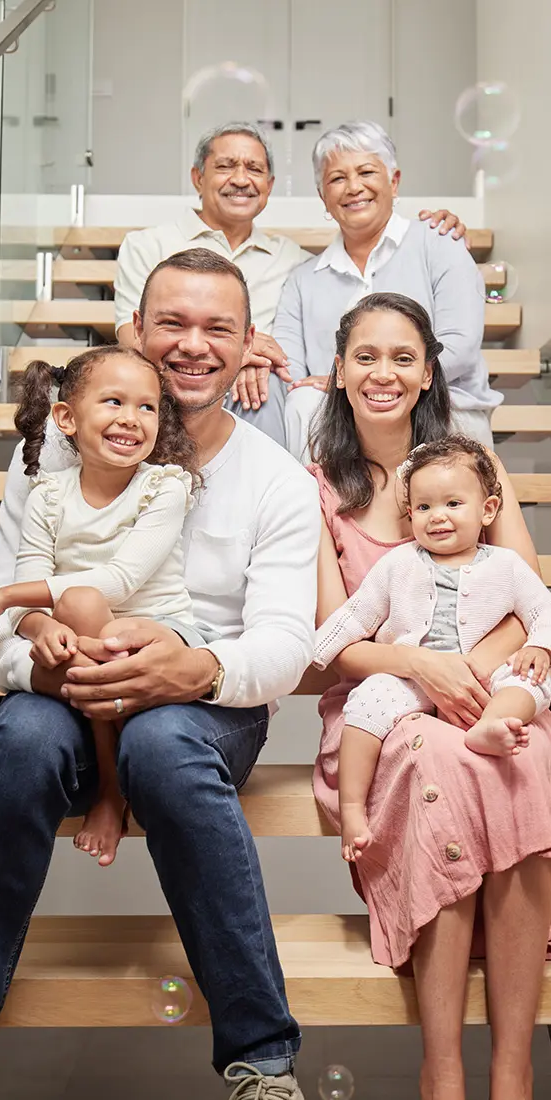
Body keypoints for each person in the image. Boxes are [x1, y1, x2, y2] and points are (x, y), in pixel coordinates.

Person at [0, 249, 321, 1099]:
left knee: (161, 746)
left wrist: (194, 667)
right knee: (20, 750)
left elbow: (281, 646)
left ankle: (262, 1059)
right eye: (172, 324)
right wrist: (53, 673)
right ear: (136, 332)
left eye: (217, 328)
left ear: (246, 344)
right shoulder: (48, 456)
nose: (193, 345)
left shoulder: (275, 483)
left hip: (204, 703)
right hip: (66, 685)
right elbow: (4, 622)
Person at [310, 291, 551, 1100]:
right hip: (379, 710)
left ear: (427, 372)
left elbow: (528, 603)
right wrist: (424, 672)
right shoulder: (318, 487)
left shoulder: (474, 471)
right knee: (434, 760)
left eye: (403, 356)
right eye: (366, 356)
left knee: (527, 752)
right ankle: (442, 1062)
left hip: (489, 690)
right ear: (339, 372)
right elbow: (331, 643)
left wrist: (471, 675)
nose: (384, 372)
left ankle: (512, 1061)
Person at [0, 346, 204, 868]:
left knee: (86, 598)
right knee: (69, 620)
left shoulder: (166, 486)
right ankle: (110, 783)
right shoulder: (48, 494)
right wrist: (38, 626)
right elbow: (33, 576)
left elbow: (117, 582)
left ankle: (112, 788)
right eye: (113, 401)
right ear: (66, 418)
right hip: (81, 638)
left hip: (156, 631)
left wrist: (7, 600)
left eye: (146, 407)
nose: (131, 419)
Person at [114, 120, 466, 448]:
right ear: (197, 177)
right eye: (225, 166)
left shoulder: (293, 260)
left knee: (263, 391)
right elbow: (135, 338)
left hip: (255, 392)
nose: (240, 179)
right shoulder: (148, 246)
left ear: (269, 185)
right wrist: (240, 354)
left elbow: (287, 358)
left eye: (254, 169)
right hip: (175, 380)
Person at [312, 433, 551, 863]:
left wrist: (542, 647)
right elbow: (357, 614)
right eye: (423, 508)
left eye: (452, 504)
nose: (437, 517)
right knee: (366, 703)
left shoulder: (506, 566)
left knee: (530, 684)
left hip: (485, 677)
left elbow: (542, 609)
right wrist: (319, 648)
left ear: (488, 510)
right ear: (410, 514)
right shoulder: (398, 564)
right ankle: (352, 809)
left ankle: (491, 726)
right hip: (412, 678)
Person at [272, 121, 500, 460]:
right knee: (303, 402)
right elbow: (290, 368)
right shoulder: (303, 280)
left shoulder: (440, 243)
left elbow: (461, 346)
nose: (353, 187)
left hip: (440, 407)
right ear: (323, 196)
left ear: (393, 182)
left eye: (366, 172)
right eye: (337, 178)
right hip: (344, 418)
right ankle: (316, 513)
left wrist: (387, 382)